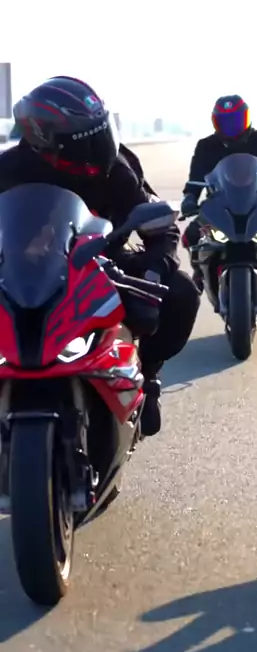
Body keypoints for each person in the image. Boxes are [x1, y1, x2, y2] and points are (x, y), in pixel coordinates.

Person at [3, 75, 200, 437]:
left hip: (100, 264)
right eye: (86, 141)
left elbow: (161, 229)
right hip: (18, 270)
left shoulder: (118, 169)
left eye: (101, 134)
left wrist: (154, 272)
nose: (99, 148)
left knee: (182, 293)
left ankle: (148, 375)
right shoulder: (9, 168)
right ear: (47, 141)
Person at [180, 95, 257, 294]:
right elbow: (195, 179)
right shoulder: (205, 146)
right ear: (215, 123)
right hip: (219, 206)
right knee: (191, 235)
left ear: (247, 118)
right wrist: (190, 198)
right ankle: (200, 271)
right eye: (224, 122)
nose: (230, 128)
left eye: (235, 121)